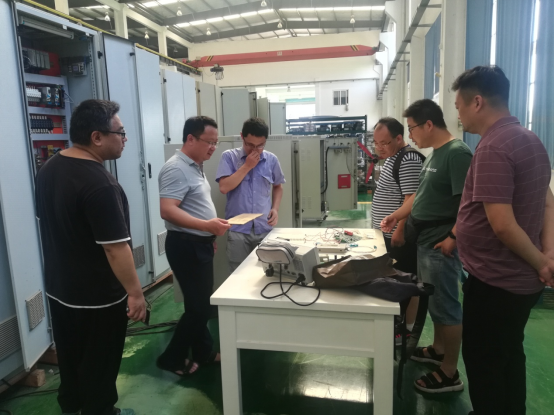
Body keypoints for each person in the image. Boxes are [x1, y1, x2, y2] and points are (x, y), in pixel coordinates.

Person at [453, 66, 554, 415]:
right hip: (520, 281)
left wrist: (542, 262)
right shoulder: (530, 140)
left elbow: (503, 225)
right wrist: (547, 253)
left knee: (486, 363)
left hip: (496, 282)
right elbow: (547, 201)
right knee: (509, 354)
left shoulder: (494, 147)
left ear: (477, 102)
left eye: (459, 106)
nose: (458, 114)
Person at [35, 99, 146, 416]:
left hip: (60, 291)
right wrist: (135, 294)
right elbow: (115, 248)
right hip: (98, 300)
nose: (124, 138)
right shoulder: (100, 184)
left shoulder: (49, 169)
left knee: (70, 360)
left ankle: (71, 408)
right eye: (120, 132)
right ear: (97, 137)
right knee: (100, 365)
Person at [381, 99, 473, 394]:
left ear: (429, 124)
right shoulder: (435, 155)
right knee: (435, 303)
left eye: (412, 128)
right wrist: (396, 216)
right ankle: (438, 349)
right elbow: (419, 198)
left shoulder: (457, 154)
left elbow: (468, 203)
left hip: (440, 243)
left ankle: (450, 372)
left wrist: (453, 238)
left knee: (446, 307)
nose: (410, 136)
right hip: (426, 241)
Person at [157, 116, 231, 376]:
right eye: (209, 142)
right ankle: (171, 358)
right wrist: (206, 227)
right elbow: (168, 210)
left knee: (198, 305)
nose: (213, 148)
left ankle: (203, 352)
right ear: (190, 139)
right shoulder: (176, 168)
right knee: (199, 309)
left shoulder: (195, 166)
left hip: (198, 243)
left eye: (216, 143)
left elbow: (194, 206)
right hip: (186, 246)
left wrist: (208, 235)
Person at [371, 117, 424, 344]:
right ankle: (398, 327)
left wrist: (400, 229)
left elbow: (411, 199)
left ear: (399, 138)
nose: (379, 148)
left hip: (397, 236)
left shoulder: (408, 158)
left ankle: (404, 331)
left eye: (384, 143)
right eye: (376, 143)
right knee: (394, 281)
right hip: (387, 234)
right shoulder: (394, 157)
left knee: (403, 285)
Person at [216, 118, 286, 273]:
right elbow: (224, 187)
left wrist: (275, 209)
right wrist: (247, 166)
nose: (255, 150)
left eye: (260, 146)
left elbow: (278, 186)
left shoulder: (271, 160)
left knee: (268, 273)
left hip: (264, 227)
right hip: (238, 230)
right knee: (238, 275)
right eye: (250, 145)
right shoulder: (229, 157)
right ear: (242, 137)